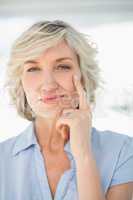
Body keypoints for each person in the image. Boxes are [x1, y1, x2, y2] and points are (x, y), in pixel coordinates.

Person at [1, 20, 133, 200]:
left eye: (62, 66)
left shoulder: (122, 151)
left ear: (84, 77)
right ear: (21, 83)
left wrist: (84, 155)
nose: (48, 85)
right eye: (33, 69)